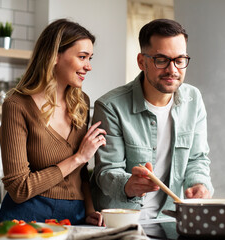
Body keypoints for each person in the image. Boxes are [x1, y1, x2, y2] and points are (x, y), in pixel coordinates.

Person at [91, 19, 214, 219]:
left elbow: (197, 159)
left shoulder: (194, 99)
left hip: (171, 220)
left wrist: (198, 184)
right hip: (122, 221)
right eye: (161, 60)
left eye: (180, 60)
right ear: (141, 61)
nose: (172, 70)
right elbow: (106, 172)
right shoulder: (110, 106)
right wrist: (129, 185)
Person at [0, 18, 106, 226]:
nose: (89, 66)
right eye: (82, 57)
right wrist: (78, 157)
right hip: (26, 219)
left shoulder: (81, 103)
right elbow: (19, 189)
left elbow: (81, 173)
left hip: (76, 217)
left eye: (90, 58)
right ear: (54, 56)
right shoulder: (17, 105)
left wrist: (90, 210)